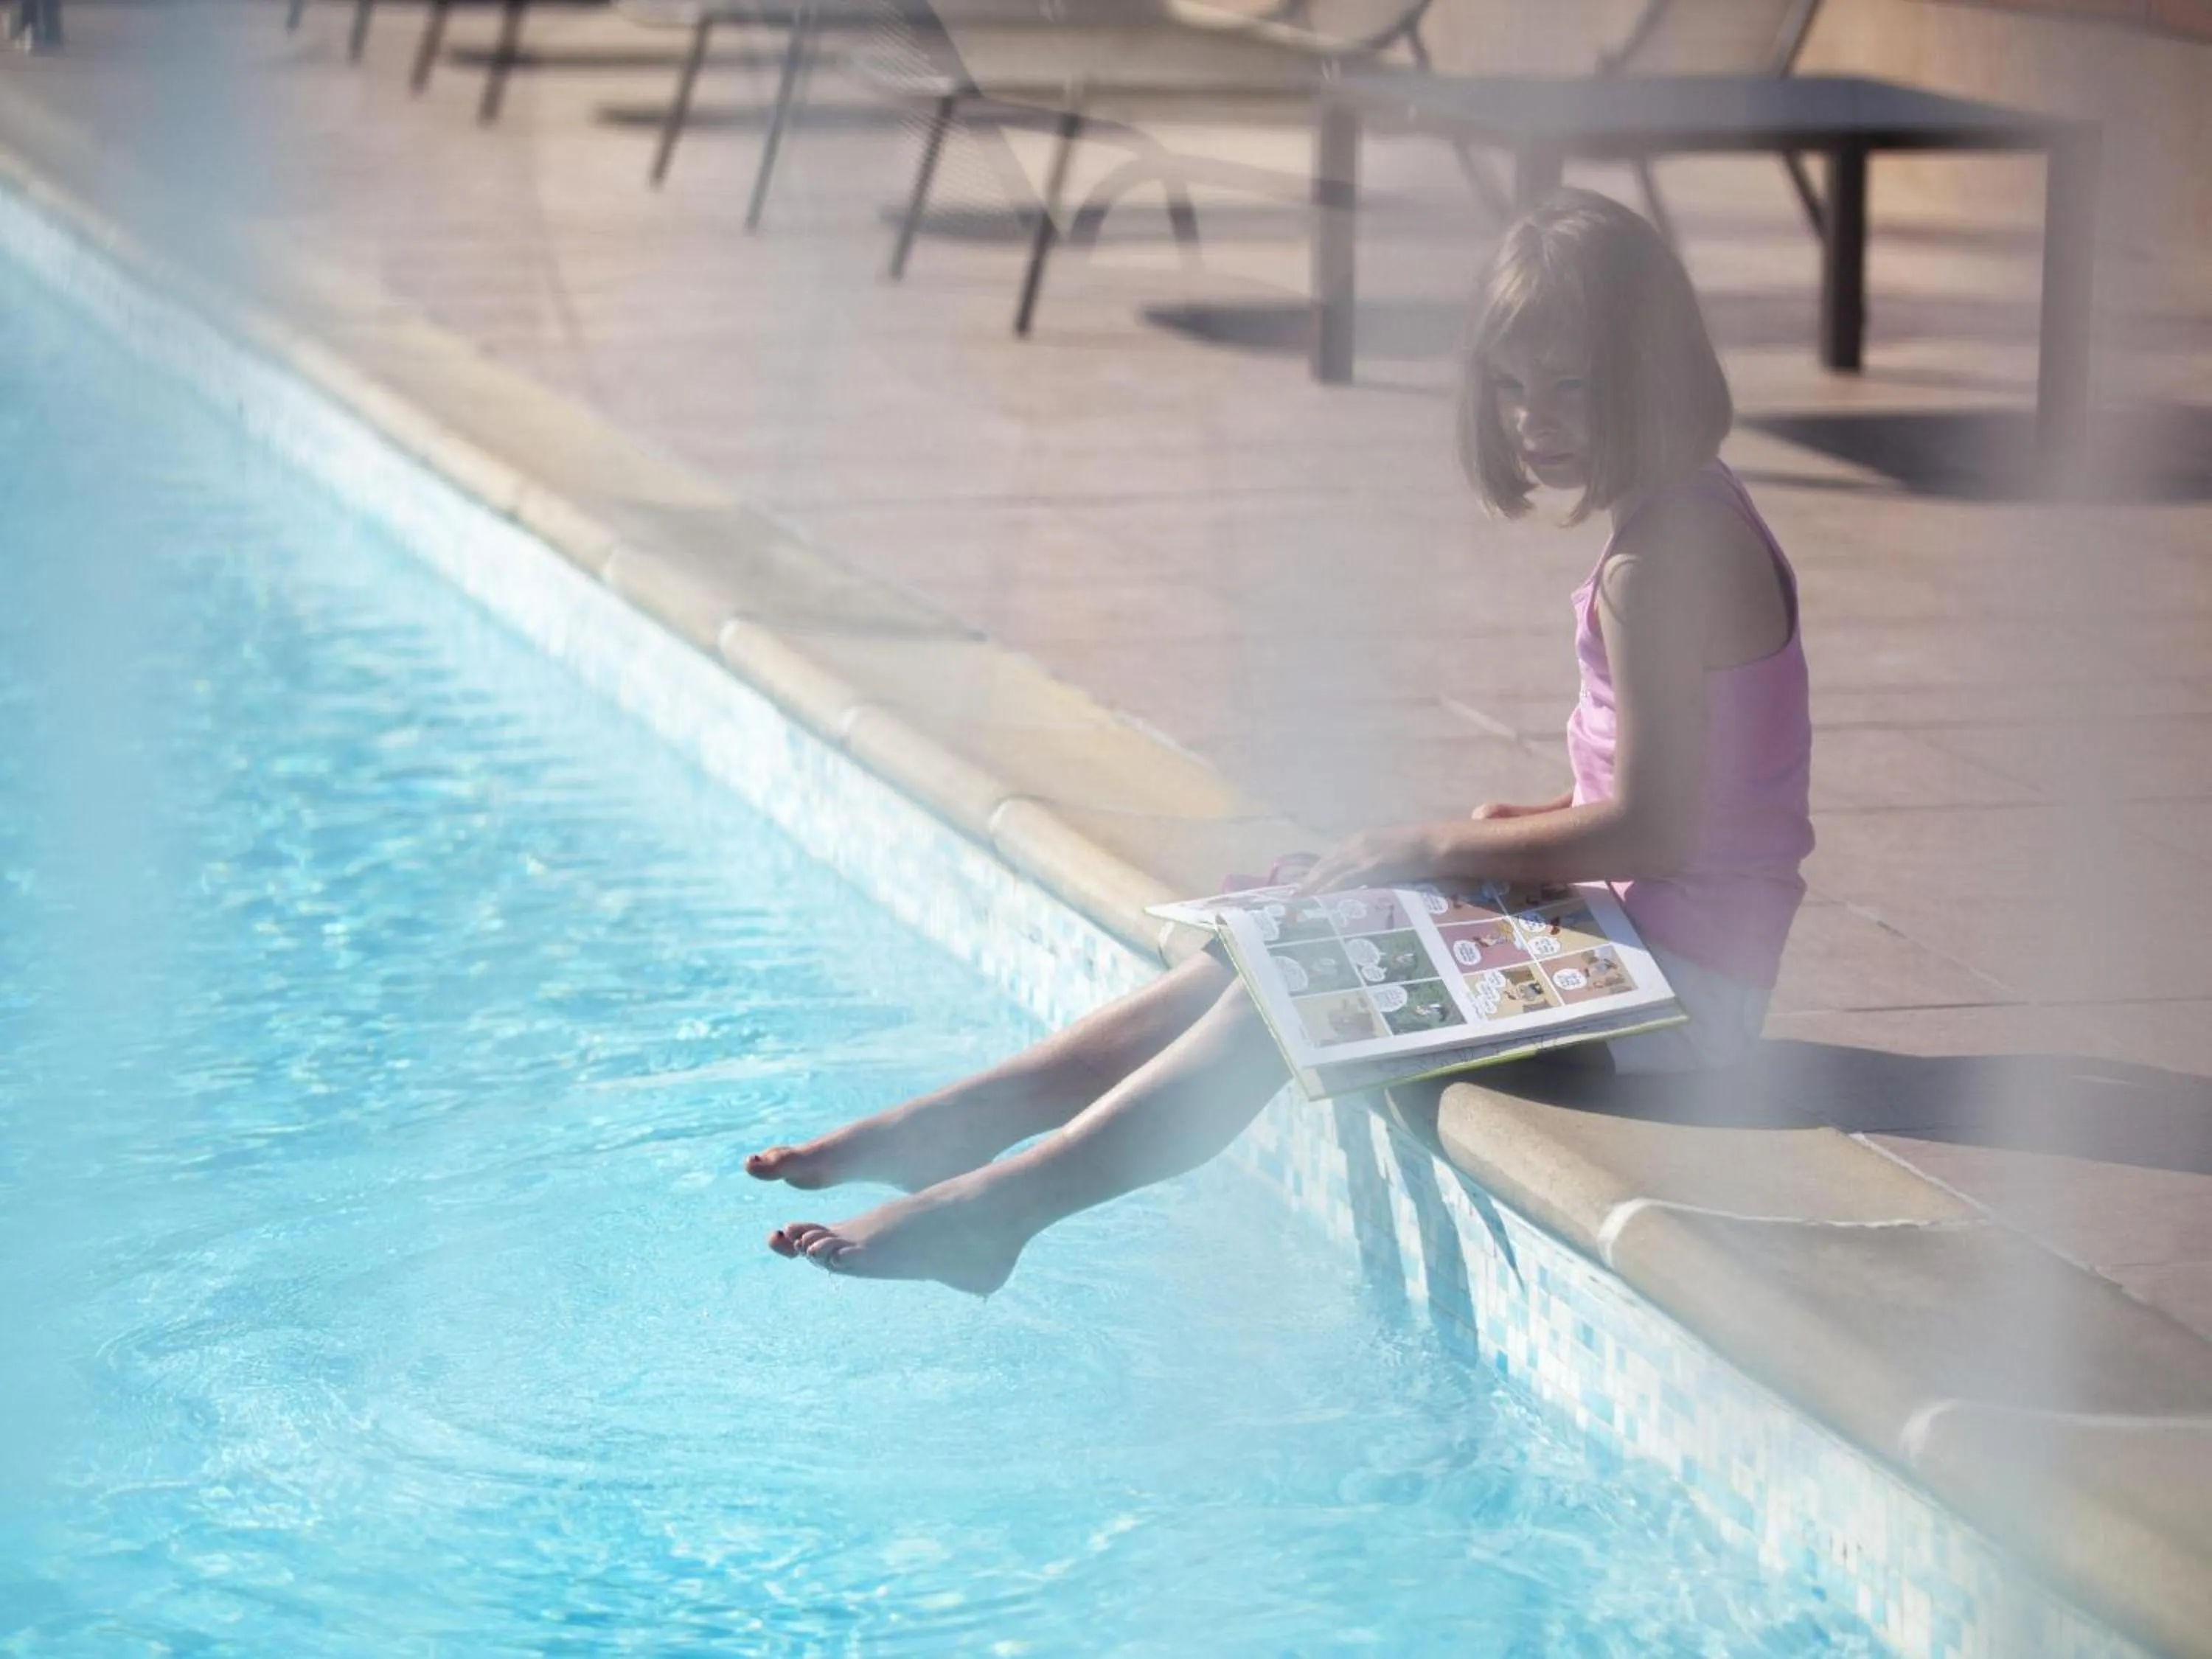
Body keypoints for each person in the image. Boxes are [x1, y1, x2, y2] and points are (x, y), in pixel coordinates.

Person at [747, 188, 1813, 1295]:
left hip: (1688, 996)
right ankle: (960, 1123)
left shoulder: (1663, 567)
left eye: (1572, 385)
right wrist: (1523, 828)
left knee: (1303, 989)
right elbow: (1681, 784)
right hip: (1653, 946)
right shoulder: (1685, 519)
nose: (1533, 419)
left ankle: (1008, 1203)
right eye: (1510, 386)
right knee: (1269, 936)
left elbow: (1663, 824)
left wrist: (1438, 844)